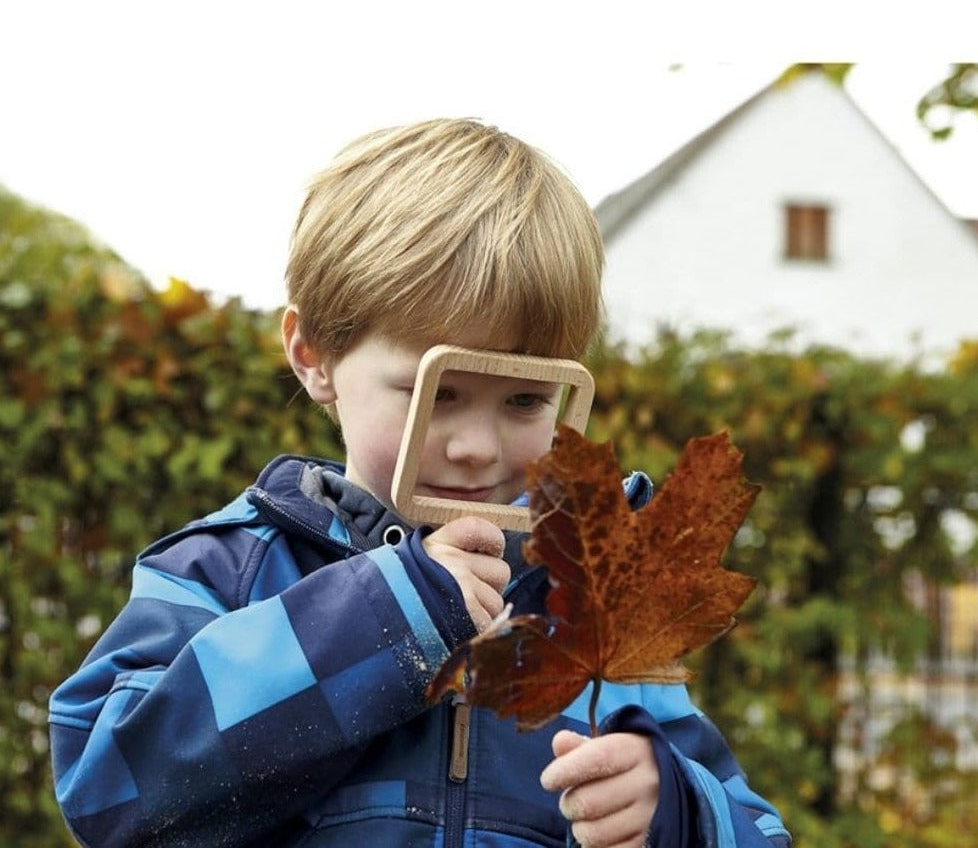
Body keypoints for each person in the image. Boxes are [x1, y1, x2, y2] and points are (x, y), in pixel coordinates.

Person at [49, 118, 791, 848]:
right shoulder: (230, 570)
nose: (475, 447)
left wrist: (675, 812)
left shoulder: (599, 599)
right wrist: (387, 615)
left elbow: (759, 831)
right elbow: (109, 790)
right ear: (313, 356)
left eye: (525, 400)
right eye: (437, 394)